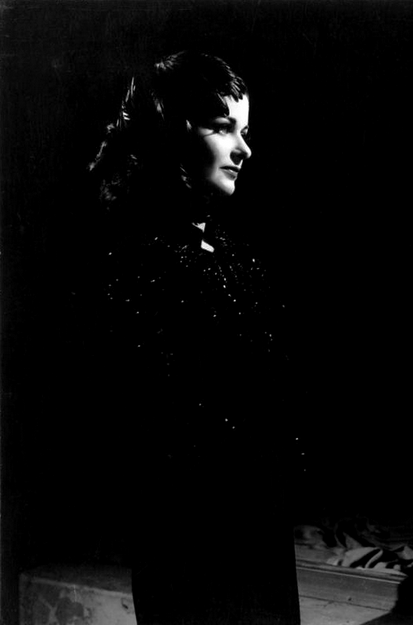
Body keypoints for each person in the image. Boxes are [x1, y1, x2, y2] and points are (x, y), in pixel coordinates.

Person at [87, 51, 300, 625]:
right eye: (223, 127)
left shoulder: (231, 253)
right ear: (172, 132)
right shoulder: (139, 262)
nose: (243, 149)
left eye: (245, 131)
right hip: (194, 541)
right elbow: (151, 434)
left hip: (256, 526)